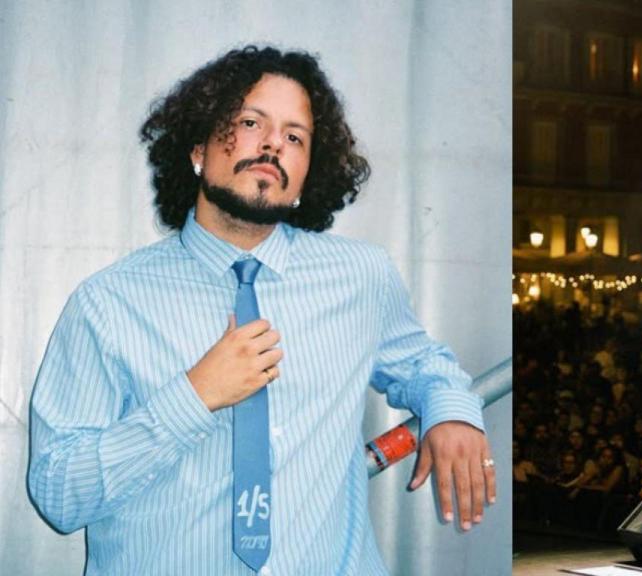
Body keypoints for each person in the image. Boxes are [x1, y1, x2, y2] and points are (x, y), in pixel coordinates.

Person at [27, 46, 494, 575]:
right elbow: (60, 496)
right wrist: (195, 396)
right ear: (198, 148)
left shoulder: (362, 277)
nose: (275, 143)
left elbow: (426, 366)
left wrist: (454, 412)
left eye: (296, 137)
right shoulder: (107, 304)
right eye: (251, 123)